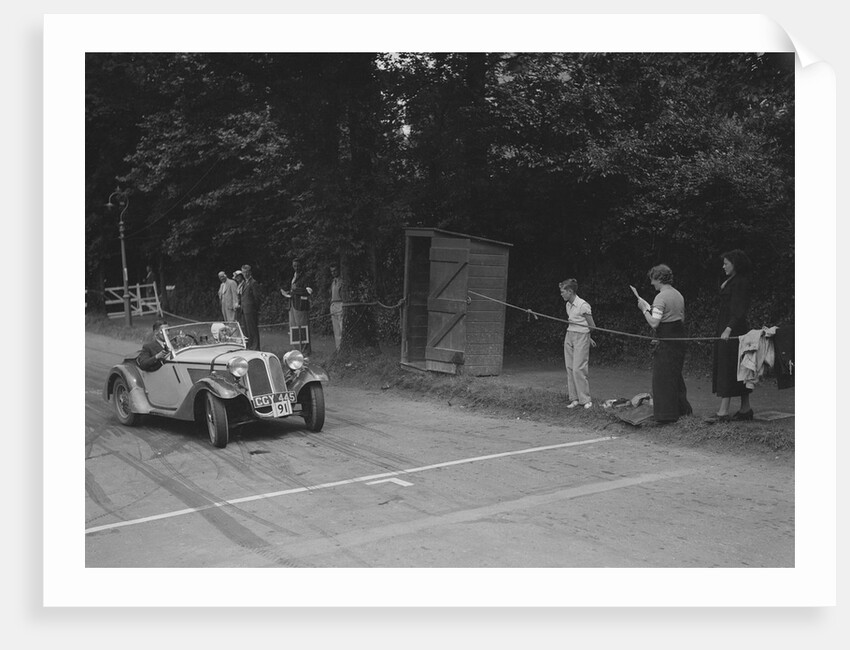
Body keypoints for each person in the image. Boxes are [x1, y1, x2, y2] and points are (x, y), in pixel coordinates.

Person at [635, 264, 693, 423]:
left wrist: (644, 309)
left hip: (667, 340)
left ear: (659, 279)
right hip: (678, 337)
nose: (651, 283)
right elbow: (681, 318)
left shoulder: (661, 297)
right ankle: (682, 410)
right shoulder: (678, 295)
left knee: (662, 378)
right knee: (675, 375)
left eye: (653, 279)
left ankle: (666, 415)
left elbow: (654, 323)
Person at [709, 249, 753, 422]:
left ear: (735, 264)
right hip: (726, 324)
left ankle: (723, 411)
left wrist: (728, 328)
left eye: (726, 263)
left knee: (729, 366)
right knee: (735, 365)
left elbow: (739, 309)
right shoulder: (732, 280)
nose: (723, 266)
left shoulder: (741, 282)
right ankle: (745, 408)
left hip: (734, 328)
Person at [559, 278, 597, 409]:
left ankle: (585, 399)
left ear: (570, 291)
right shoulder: (568, 305)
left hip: (581, 337)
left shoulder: (583, 305)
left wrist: (587, 338)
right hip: (569, 335)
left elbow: (592, 326)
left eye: (563, 292)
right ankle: (574, 398)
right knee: (570, 368)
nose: (561, 294)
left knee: (578, 369)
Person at [280, 259, 313, 356]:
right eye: (294, 266)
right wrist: (288, 293)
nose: (296, 268)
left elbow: (309, 292)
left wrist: (295, 290)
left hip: (301, 306)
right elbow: (294, 291)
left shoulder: (306, 277)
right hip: (292, 305)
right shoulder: (293, 276)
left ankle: (305, 351)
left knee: (303, 328)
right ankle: (296, 350)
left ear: (301, 266)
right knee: (293, 328)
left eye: (298, 265)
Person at [240, 264, 262, 350]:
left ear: (250, 272)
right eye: (243, 272)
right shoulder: (244, 282)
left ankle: (255, 347)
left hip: (251, 309)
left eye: (246, 272)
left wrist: (255, 308)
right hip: (244, 309)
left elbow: (257, 297)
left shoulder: (253, 282)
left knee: (252, 329)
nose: (245, 274)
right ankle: (249, 346)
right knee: (246, 330)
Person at [329, 263, 345, 350]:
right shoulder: (333, 282)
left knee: (341, 327)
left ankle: (343, 347)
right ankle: (338, 349)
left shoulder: (342, 281)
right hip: (333, 305)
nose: (333, 273)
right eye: (332, 271)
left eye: (335, 270)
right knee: (336, 330)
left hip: (340, 304)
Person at [233, 269, 246, 335]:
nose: (237, 278)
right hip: (238, 306)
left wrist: (239, 304)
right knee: (238, 322)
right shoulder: (239, 285)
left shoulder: (244, 284)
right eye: (236, 277)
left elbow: (242, 296)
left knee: (243, 323)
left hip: (242, 306)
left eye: (238, 276)